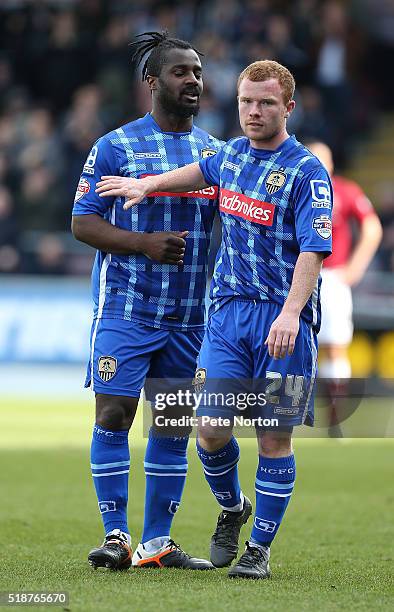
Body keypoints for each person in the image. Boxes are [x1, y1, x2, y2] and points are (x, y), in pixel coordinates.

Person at [96, 60, 333, 579]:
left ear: (288, 108)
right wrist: (148, 187)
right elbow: (198, 173)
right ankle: (233, 508)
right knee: (207, 429)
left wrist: (292, 314)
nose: (254, 111)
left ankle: (259, 551)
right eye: (247, 101)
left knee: (274, 438)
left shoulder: (307, 171)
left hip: (282, 321)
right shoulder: (229, 155)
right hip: (226, 316)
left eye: (266, 102)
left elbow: (313, 252)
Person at [72, 31, 223, 571]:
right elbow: (82, 222)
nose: (193, 81)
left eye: (198, 72)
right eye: (181, 72)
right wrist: (143, 245)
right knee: (114, 413)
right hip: (126, 310)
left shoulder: (215, 153)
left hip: (190, 317)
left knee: (171, 424)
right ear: (153, 82)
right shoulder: (116, 145)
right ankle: (115, 536)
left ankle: (155, 544)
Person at [306, 142, 382, 434]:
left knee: (335, 347)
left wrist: (356, 266)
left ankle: (335, 420)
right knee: (289, 347)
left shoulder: (344, 190)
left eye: (322, 159)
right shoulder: (294, 189)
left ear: (332, 163)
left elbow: (371, 227)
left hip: (333, 277)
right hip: (296, 277)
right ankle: (284, 419)